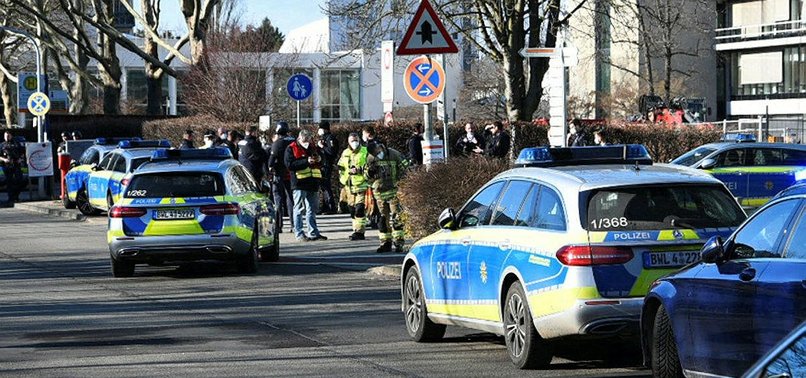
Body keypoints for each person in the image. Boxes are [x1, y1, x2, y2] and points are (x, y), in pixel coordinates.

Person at [285, 129, 327, 242]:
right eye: (304, 140)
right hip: (299, 183)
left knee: (312, 209)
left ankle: (313, 232)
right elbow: (289, 165)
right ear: (299, 138)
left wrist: (319, 159)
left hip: (312, 182)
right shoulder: (291, 148)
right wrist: (306, 161)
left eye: (308, 140)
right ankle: (299, 233)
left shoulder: (313, 147)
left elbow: (322, 160)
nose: (306, 142)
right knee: (299, 209)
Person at [365, 142, 408, 253]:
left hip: (394, 191)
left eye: (378, 152)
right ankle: (385, 243)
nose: (377, 154)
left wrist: (402, 185)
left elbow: (406, 169)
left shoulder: (394, 154)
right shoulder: (370, 158)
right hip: (379, 193)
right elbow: (366, 176)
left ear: (381, 147)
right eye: (375, 154)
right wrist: (370, 172)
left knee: (397, 218)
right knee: (382, 220)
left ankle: (399, 243)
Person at [338, 133, 369, 240]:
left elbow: (370, 167)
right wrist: (343, 179)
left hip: (362, 185)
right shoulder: (345, 153)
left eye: (356, 140)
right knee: (351, 209)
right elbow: (341, 167)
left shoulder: (365, 151)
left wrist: (359, 170)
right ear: (348, 142)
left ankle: (360, 232)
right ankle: (355, 229)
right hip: (349, 186)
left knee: (359, 209)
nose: (354, 142)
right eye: (352, 140)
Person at [268, 122, 296, 232]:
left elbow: (271, 160)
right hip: (291, 174)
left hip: (279, 174)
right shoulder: (294, 141)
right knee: (291, 199)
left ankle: (278, 226)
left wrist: (270, 169)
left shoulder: (277, 143)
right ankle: (294, 225)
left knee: (278, 199)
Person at [316, 121, 339, 215]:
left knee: (326, 186)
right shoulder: (324, 138)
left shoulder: (330, 138)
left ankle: (331, 207)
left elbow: (331, 152)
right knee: (323, 187)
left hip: (327, 165)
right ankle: (325, 206)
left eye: (320, 128)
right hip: (322, 164)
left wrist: (322, 147)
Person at [0, 131, 25, 204]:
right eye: (5, 136)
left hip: (16, 165)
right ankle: (11, 198)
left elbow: (23, 153)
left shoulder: (16, 144)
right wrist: (4, 159)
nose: (7, 137)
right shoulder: (1, 145)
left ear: (11, 136)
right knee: (9, 182)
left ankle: (15, 195)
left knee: (20, 180)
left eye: (8, 136)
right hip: (7, 166)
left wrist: (20, 159)